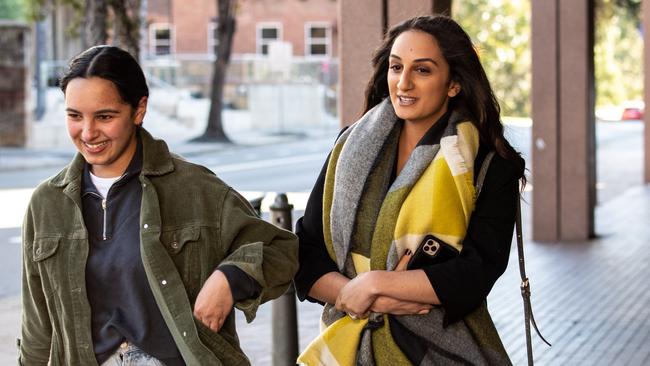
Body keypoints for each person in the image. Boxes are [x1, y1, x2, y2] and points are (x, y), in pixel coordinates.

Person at [20, 45, 298, 366]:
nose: (88, 132)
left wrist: (229, 278)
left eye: (105, 116)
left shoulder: (194, 187)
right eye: (74, 116)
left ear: (139, 110)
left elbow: (281, 249)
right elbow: (38, 330)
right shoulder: (46, 203)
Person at [294, 15, 525, 365]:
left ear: (453, 84)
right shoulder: (349, 148)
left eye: (423, 70)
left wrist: (373, 284)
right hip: (350, 349)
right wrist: (361, 295)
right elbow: (306, 255)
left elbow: (475, 273)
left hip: (444, 352)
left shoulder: (489, 163)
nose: (403, 83)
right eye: (396, 67)